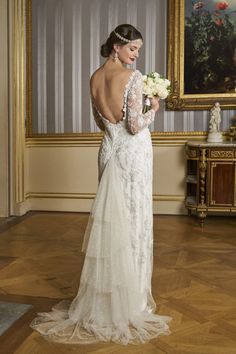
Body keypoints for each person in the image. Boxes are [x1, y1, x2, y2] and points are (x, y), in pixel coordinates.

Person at [30, 24, 171, 345]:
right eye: (133, 48)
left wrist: (116, 132)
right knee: (132, 221)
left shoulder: (94, 78)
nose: (136, 55)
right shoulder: (132, 79)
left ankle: (106, 298)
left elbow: (102, 122)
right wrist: (153, 110)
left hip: (108, 150)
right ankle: (130, 301)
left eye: (138, 50)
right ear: (116, 47)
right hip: (133, 154)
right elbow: (134, 127)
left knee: (112, 221)